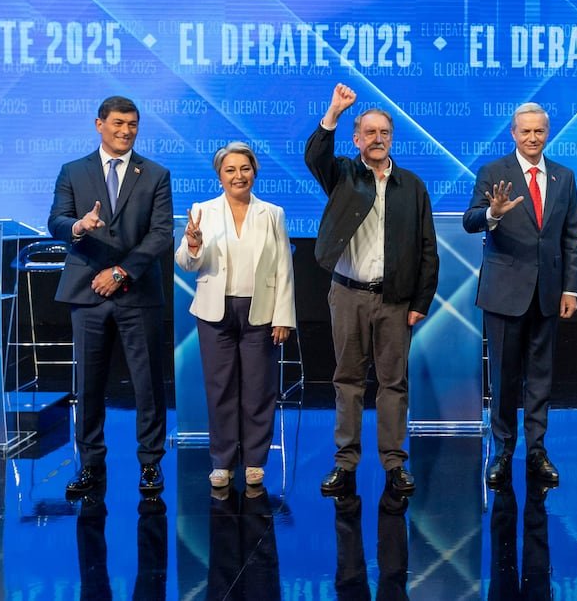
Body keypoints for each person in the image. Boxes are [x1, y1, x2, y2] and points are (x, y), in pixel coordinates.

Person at [306, 84, 439, 497]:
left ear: (392, 139)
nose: (378, 139)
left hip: (395, 300)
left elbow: (427, 249)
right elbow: (315, 157)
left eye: (384, 133)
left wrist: (421, 302)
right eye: (370, 132)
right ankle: (345, 463)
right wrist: (333, 112)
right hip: (348, 295)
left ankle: (395, 463)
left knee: (393, 383)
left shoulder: (412, 185)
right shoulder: (343, 175)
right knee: (347, 380)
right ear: (356, 139)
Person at [48, 95, 173, 498]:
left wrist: (121, 272)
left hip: (137, 291)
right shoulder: (73, 171)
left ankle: (150, 463)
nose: (126, 130)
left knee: (148, 383)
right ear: (99, 124)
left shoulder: (155, 174)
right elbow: (56, 220)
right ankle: (90, 465)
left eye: (132, 124)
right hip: (87, 293)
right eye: (118, 123)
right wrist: (78, 226)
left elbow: (161, 233)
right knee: (89, 383)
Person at [463, 103, 577, 488]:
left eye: (539, 131)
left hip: (548, 293)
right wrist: (493, 214)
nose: (532, 138)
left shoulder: (564, 176)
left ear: (547, 133)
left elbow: (571, 238)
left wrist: (570, 288)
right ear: (513, 133)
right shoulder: (493, 172)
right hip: (504, 293)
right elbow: (470, 220)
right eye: (525, 131)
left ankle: (537, 450)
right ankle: (502, 451)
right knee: (504, 377)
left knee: (541, 378)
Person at [175, 142, 296, 488]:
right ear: (220, 176)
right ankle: (222, 461)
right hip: (215, 311)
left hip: (260, 310)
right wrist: (193, 244)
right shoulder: (203, 211)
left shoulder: (272, 213)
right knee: (220, 388)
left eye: (245, 168)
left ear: (254, 172)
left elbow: (283, 267)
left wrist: (283, 316)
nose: (238, 176)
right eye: (230, 170)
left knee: (259, 388)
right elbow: (185, 263)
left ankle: (255, 460)